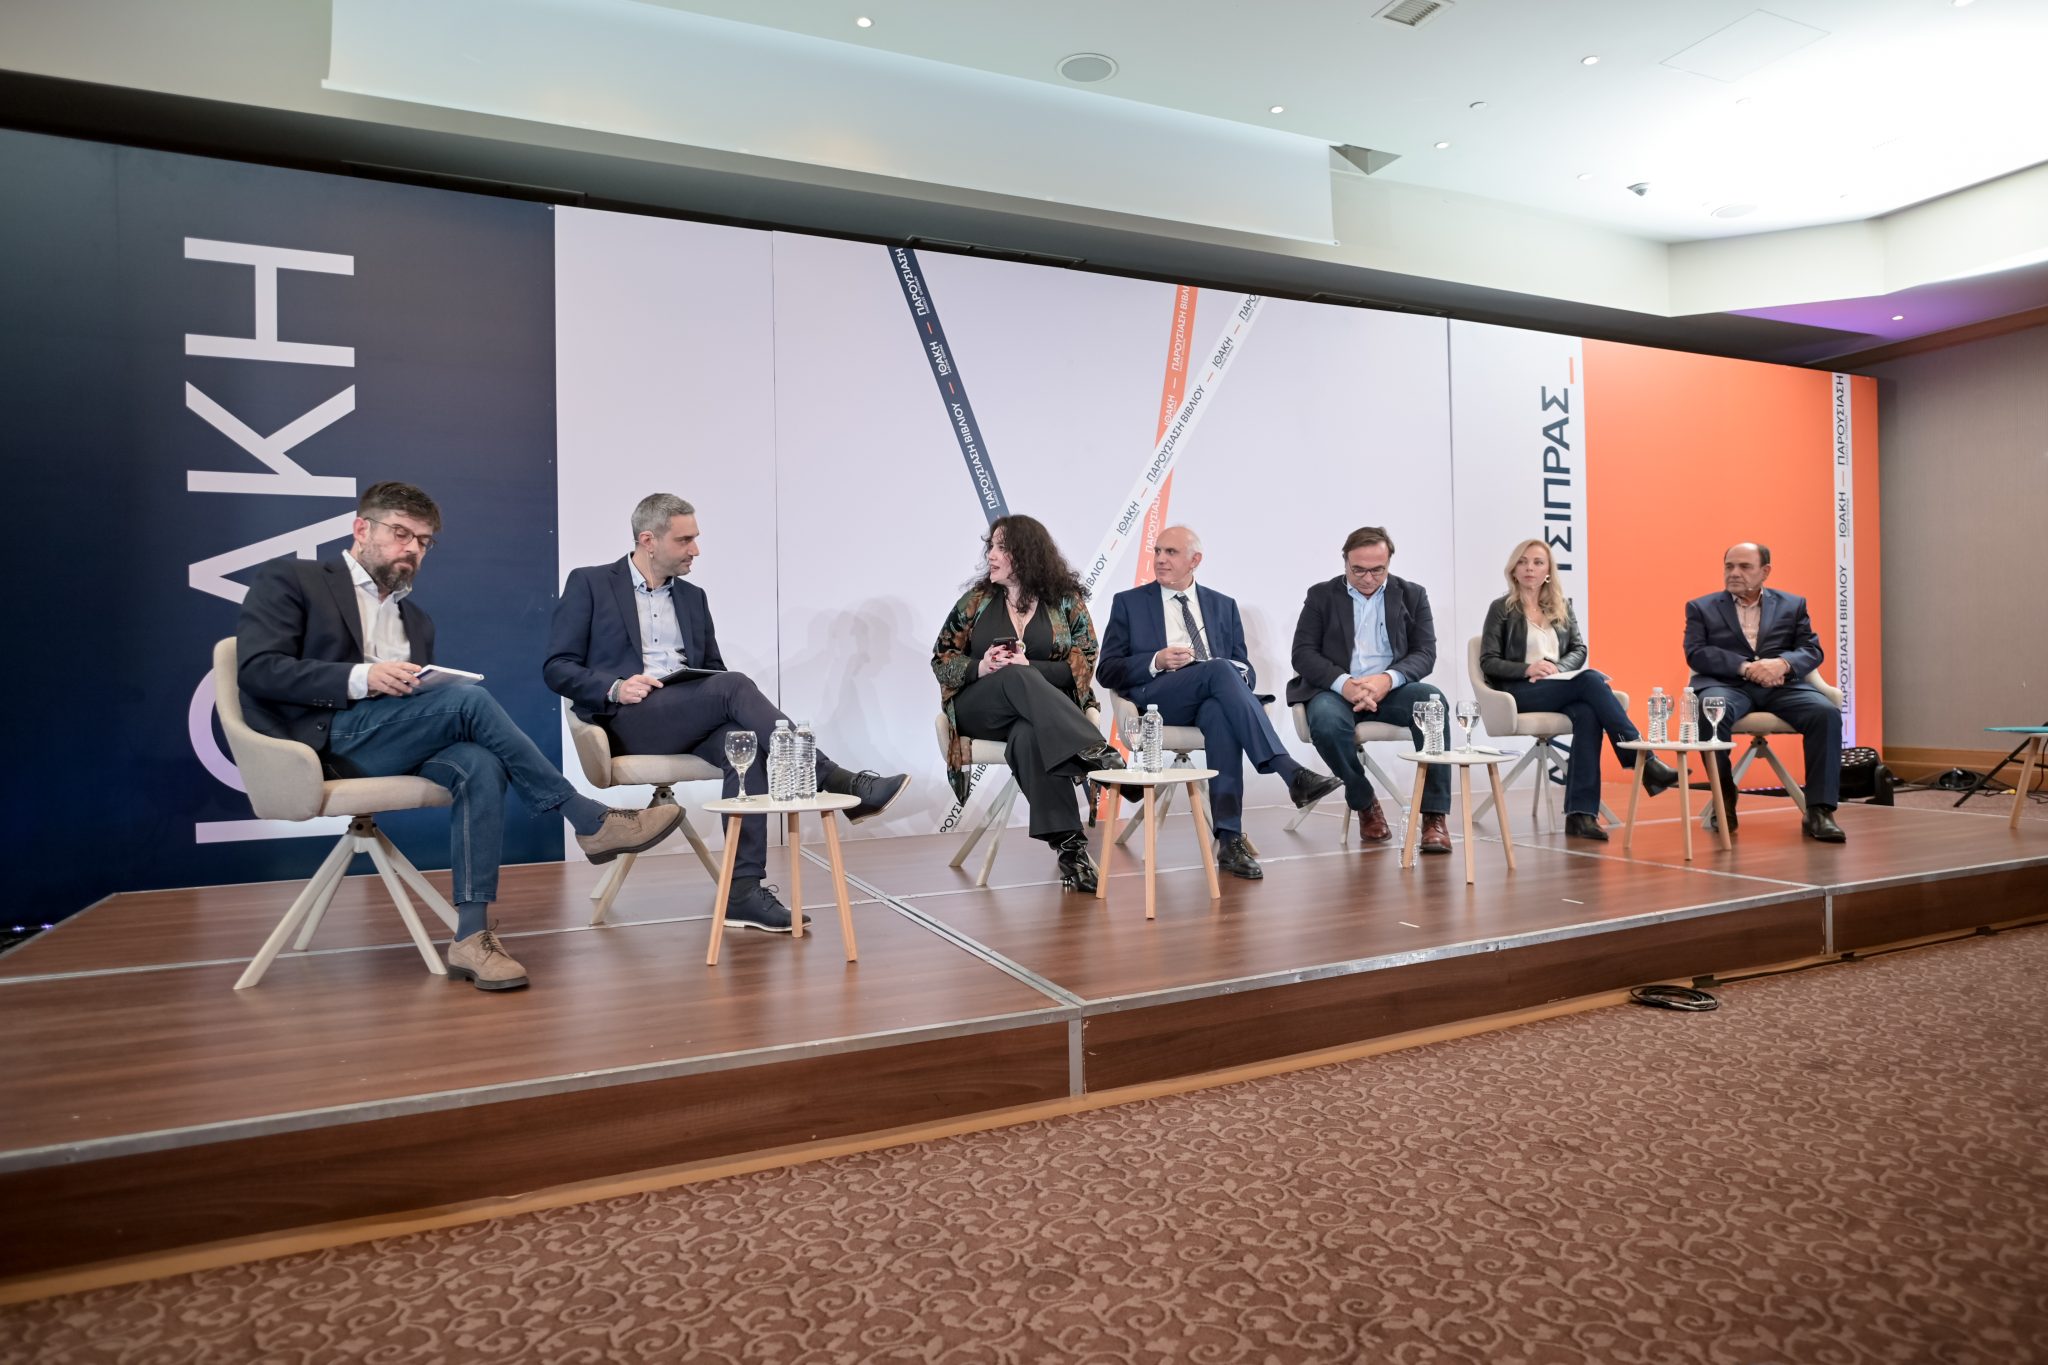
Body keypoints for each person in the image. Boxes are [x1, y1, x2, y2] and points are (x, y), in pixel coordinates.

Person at [237, 482, 683, 992]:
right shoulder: (294, 580)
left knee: (478, 763)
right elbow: (258, 670)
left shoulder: (415, 619)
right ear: (362, 529)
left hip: (391, 740)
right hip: (321, 742)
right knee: (469, 702)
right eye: (401, 534)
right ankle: (587, 817)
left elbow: (415, 708)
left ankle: (471, 936)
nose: (413, 548)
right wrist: (363, 677)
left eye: (424, 541)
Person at [546, 494, 910, 934]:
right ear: (648, 541)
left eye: (695, 538)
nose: (695, 550)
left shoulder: (693, 598)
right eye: (684, 540)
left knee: (745, 743)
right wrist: (616, 687)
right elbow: (557, 667)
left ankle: (743, 892)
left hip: (685, 714)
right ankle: (833, 777)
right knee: (734, 685)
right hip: (629, 719)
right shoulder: (590, 583)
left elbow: (711, 671)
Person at [1096, 527, 1340, 879]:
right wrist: (1156, 660)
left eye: (1170, 552)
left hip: (1212, 697)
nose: (1160, 559)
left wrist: (1230, 674)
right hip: (1158, 699)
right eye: (1157, 551)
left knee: (1220, 709)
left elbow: (1245, 670)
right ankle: (1288, 770)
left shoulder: (1223, 605)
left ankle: (1229, 840)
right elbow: (1107, 670)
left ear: (1195, 560)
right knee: (1219, 671)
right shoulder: (1129, 603)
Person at [932, 515, 1127, 892]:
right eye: (990, 546)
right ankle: (1093, 750)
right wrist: (981, 666)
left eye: (1001, 547)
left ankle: (1071, 851)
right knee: (1013, 676)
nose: (991, 555)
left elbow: (1085, 662)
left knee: (1028, 734)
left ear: (1026, 554)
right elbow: (942, 659)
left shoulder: (1065, 602)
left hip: (1039, 718)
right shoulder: (976, 601)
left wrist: (1029, 667)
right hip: (981, 709)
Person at [1477, 539, 1680, 841]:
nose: (1530, 568)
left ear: (1548, 571)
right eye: (1523, 561)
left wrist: (1557, 668)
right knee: (1590, 680)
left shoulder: (1561, 606)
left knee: (1588, 713)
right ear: (1514, 569)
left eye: (1537, 562)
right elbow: (1488, 661)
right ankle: (1644, 760)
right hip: (1518, 692)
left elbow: (1578, 649)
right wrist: (1528, 668)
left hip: (1558, 687)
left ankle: (1581, 815)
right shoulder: (1501, 608)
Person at [1288, 526, 1454, 853]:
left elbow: (1425, 653)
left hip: (1389, 690)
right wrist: (1345, 684)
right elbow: (1303, 653)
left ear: (1389, 563)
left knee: (1432, 704)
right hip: (1336, 691)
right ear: (1345, 563)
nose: (1367, 578)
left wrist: (1387, 680)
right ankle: (1364, 801)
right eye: (1358, 570)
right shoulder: (1321, 595)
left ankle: (1434, 816)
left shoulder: (1412, 595)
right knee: (1325, 722)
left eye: (1377, 570)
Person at [1684, 542, 1845, 843]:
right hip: (1728, 685)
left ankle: (1820, 811)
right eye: (1729, 566)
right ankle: (1724, 797)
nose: (1734, 573)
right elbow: (1696, 653)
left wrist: (1782, 664)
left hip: (1781, 686)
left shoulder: (1792, 605)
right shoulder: (1701, 607)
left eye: (1744, 567)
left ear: (1765, 571)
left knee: (1825, 714)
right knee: (1710, 707)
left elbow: (1811, 649)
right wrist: (1745, 667)